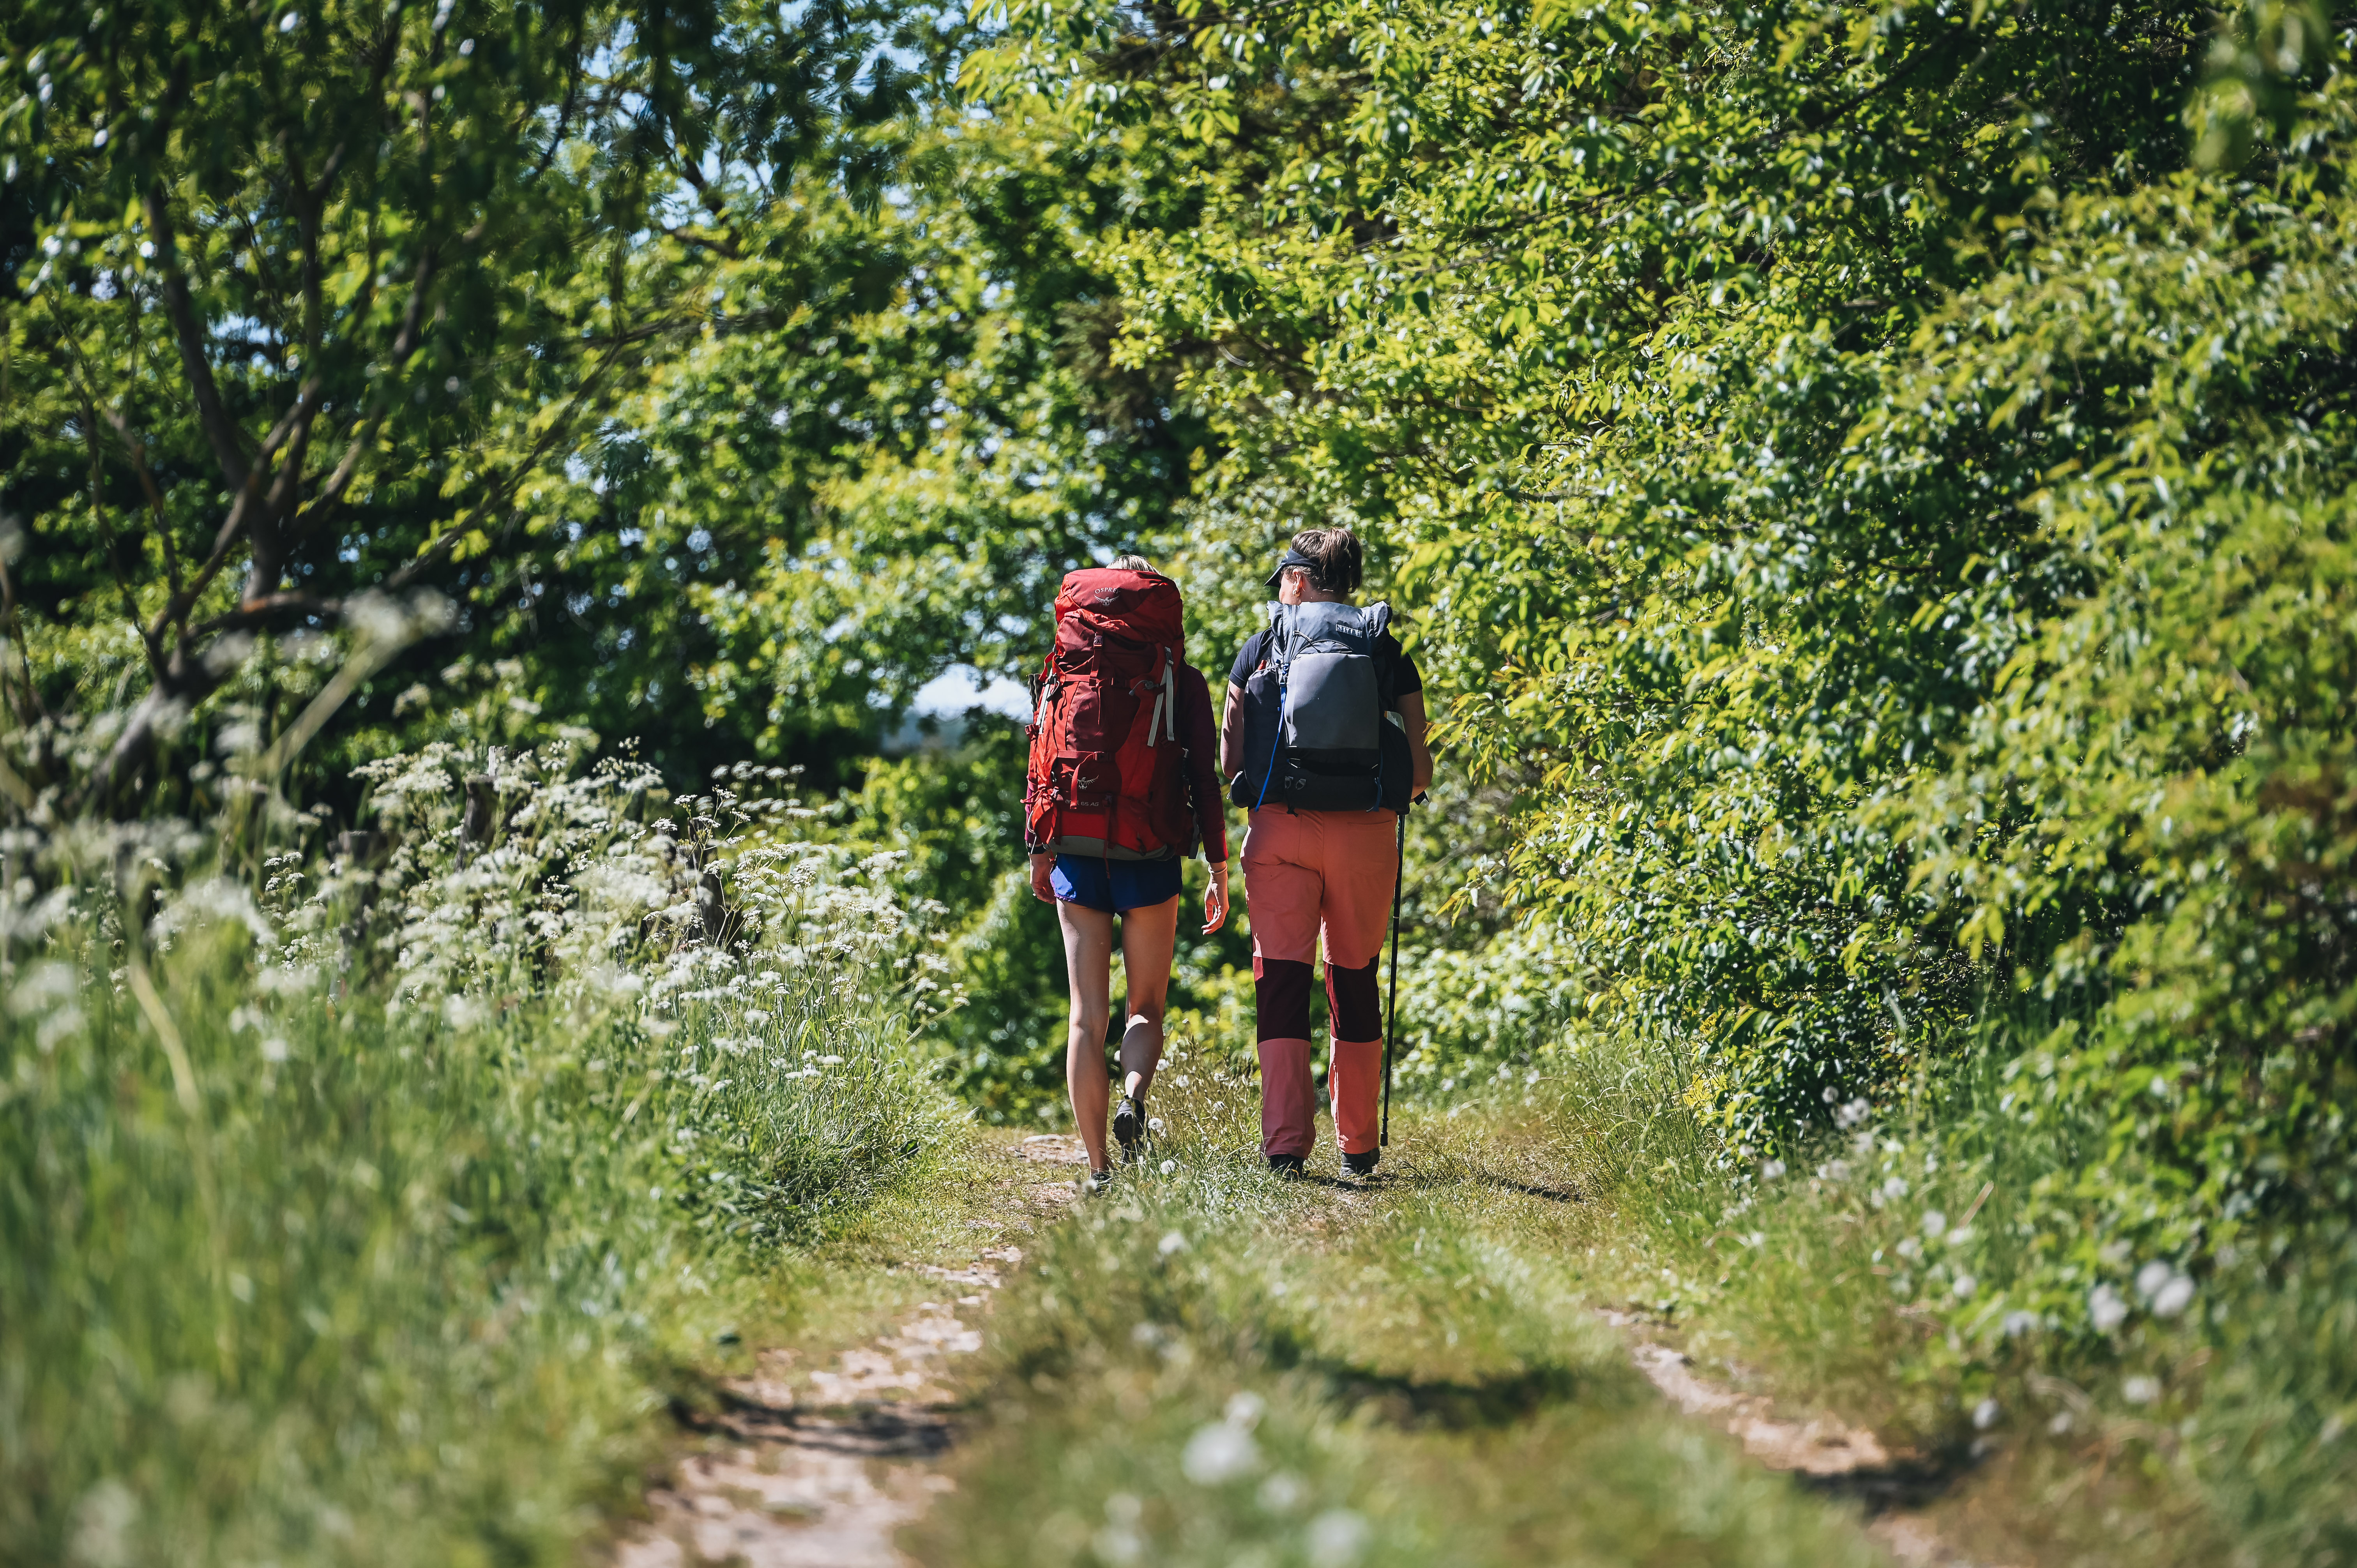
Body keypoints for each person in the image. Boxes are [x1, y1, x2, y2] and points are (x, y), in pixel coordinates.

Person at [1221, 527, 1431, 1177]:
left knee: (1282, 982)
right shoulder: (1384, 650)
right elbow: (1419, 770)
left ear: (1300, 580)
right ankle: (1358, 1146)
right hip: (1366, 835)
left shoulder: (1261, 648)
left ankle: (1285, 1147)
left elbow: (1230, 760)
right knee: (1354, 980)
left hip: (1280, 832)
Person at [1025, 555, 1230, 1192]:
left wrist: (1038, 844)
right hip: (1151, 848)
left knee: (1087, 1016)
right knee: (1146, 1008)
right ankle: (1134, 1099)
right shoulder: (1180, 678)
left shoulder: (1064, 668)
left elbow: (1039, 753)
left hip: (1078, 845)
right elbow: (1205, 777)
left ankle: (1097, 1171)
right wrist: (1218, 865)